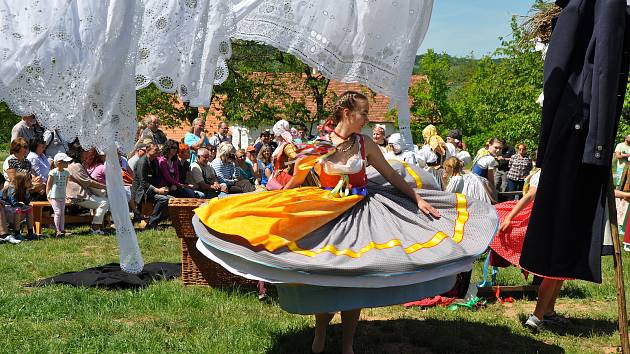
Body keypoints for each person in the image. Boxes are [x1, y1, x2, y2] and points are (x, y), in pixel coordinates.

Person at [191, 91, 497, 354]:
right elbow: (297, 178)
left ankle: (348, 343)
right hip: (327, 214)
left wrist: (417, 199)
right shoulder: (319, 145)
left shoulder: (365, 144)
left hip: (363, 212)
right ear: (347, 113)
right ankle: (321, 331)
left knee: (356, 276)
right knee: (328, 274)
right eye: (363, 114)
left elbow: (390, 176)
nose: (367, 119)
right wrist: (276, 202)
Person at [65, 144, 110, 234]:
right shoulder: (75, 166)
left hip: (78, 195)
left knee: (104, 199)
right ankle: (95, 227)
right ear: (79, 153)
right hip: (77, 196)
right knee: (104, 202)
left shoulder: (75, 165)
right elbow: (88, 182)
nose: (87, 153)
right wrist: (105, 186)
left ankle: (100, 225)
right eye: (85, 151)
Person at [131, 143, 172, 229]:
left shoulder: (154, 161)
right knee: (163, 199)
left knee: (171, 199)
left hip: (150, 191)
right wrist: (157, 190)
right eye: (155, 150)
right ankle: (152, 223)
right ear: (148, 150)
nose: (158, 151)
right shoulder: (142, 162)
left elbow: (156, 178)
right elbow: (143, 183)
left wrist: (163, 188)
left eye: (158, 150)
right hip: (141, 192)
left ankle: (157, 220)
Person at [2, 171, 36, 241]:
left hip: (11, 209)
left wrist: (27, 192)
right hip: (4, 209)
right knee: (18, 209)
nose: (30, 182)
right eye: (29, 181)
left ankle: (30, 233)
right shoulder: (12, 188)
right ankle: (17, 233)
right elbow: (13, 203)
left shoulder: (23, 188)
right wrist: (22, 205)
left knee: (29, 208)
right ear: (22, 181)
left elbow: (27, 202)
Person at [46, 153, 72, 237]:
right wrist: (48, 195)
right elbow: (48, 185)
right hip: (54, 196)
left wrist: (66, 195)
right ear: (59, 163)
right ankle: (57, 230)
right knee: (58, 212)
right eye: (66, 162)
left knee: (62, 213)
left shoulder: (66, 173)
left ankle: (62, 229)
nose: (67, 164)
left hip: (62, 196)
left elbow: (66, 185)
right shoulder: (53, 172)